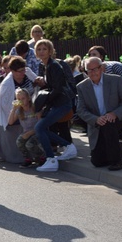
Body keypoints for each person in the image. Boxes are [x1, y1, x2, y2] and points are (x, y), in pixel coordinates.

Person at [76, 57, 122, 171]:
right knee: (97, 162)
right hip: (97, 123)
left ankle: (116, 162)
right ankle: (119, 152)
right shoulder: (82, 87)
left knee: (108, 123)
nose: (93, 73)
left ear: (102, 68)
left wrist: (115, 113)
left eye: (95, 69)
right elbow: (81, 110)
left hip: (116, 119)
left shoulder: (115, 80)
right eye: (89, 70)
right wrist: (95, 119)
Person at [33, 39, 78, 172]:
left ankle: (51, 159)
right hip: (57, 102)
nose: (41, 52)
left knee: (39, 127)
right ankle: (68, 146)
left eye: (44, 49)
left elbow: (58, 88)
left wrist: (44, 105)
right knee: (41, 128)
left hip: (62, 103)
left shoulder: (53, 66)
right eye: (39, 49)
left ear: (50, 51)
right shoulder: (45, 66)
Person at [0, 56, 35, 164]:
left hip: (29, 112)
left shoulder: (27, 75)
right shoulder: (7, 85)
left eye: (23, 69)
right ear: (12, 71)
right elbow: (5, 105)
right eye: (19, 71)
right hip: (15, 115)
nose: (23, 73)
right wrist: (18, 112)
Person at [9, 88, 44, 167]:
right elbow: (10, 122)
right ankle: (28, 159)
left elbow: (41, 124)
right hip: (27, 133)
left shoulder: (35, 108)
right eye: (18, 99)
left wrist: (30, 132)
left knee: (29, 144)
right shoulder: (19, 111)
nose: (21, 101)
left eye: (23, 98)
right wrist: (13, 109)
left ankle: (42, 157)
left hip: (37, 131)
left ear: (28, 98)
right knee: (19, 141)